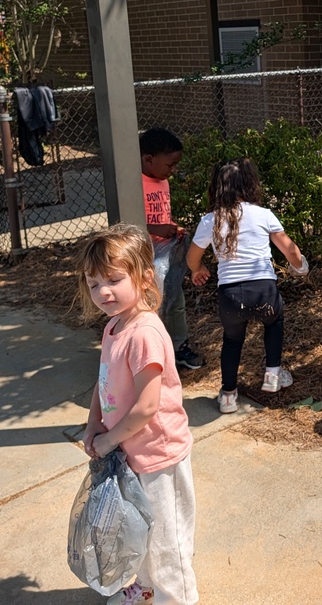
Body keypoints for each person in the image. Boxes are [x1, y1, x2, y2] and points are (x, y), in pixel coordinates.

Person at [77, 224, 199, 605]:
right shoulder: (115, 326)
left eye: (113, 280)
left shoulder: (145, 332)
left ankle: (176, 598)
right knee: (138, 528)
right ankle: (147, 587)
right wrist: (94, 423)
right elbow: (104, 381)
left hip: (158, 456)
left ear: (144, 277)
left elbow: (147, 406)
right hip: (130, 455)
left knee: (167, 540)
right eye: (93, 283)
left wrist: (109, 439)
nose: (103, 292)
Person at [186, 158, 308, 415]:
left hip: (230, 296)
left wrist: (198, 269)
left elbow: (192, 257)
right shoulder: (263, 215)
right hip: (263, 290)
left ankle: (228, 395)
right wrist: (300, 267)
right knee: (273, 322)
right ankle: (273, 374)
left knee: (232, 340)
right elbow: (290, 250)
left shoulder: (210, 221)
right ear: (250, 184)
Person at [140, 127, 204, 371]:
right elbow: (134, 221)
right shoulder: (136, 183)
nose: (174, 170)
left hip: (167, 250)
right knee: (151, 302)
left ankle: (179, 348)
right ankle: (151, 352)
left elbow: (162, 214)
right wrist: (156, 227)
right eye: (171, 165)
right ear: (149, 159)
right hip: (147, 253)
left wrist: (171, 227)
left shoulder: (162, 180)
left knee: (175, 298)